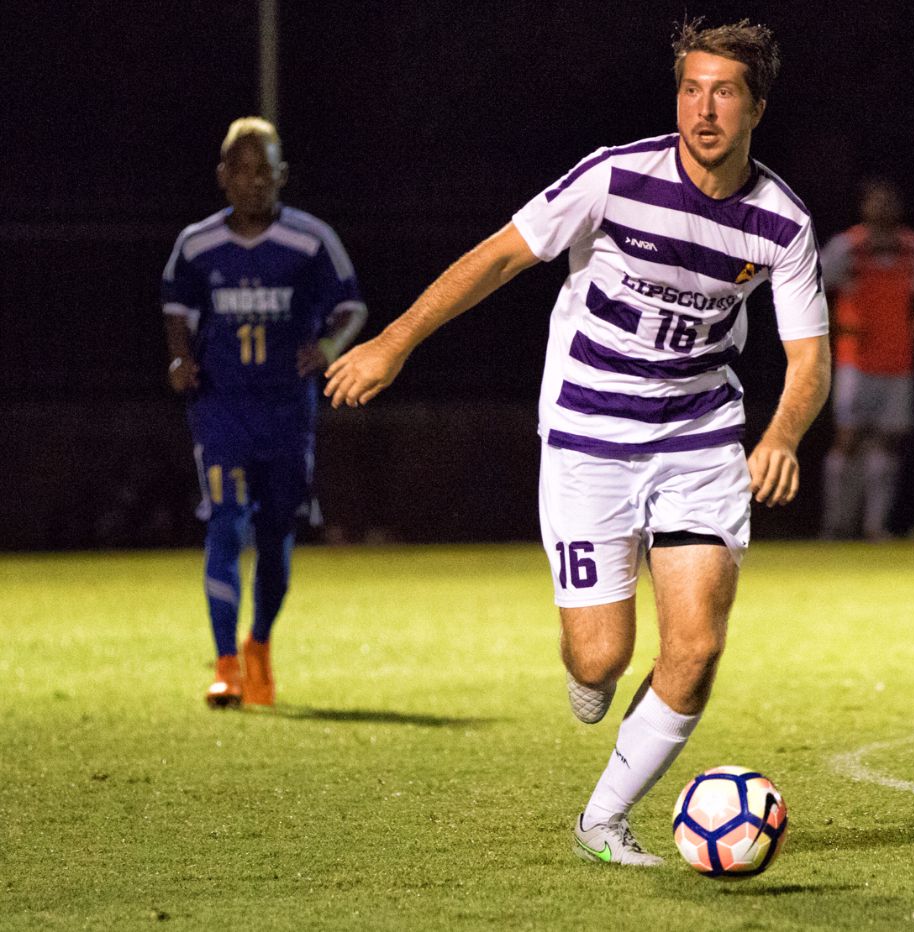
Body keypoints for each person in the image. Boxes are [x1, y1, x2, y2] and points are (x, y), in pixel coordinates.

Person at [324, 19, 829, 867]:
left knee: (696, 644)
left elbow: (810, 359)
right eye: (691, 88)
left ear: (757, 109)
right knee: (601, 659)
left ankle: (604, 819)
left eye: (725, 92)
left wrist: (780, 435)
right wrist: (395, 341)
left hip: (699, 434)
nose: (703, 109)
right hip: (588, 434)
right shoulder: (614, 176)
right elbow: (496, 259)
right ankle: (589, 672)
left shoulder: (780, 222)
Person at [162, 117, 368, 708]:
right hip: (221, 409)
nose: (255, 183)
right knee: (225, 523)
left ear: (282, 176)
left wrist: (328, 347)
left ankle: (258, 645)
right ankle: (225, 663)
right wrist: (180, 361)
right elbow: (175, 307)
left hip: (286, 411)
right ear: (224, 177)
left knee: (277, 535)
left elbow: (351, 306)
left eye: (266, 171)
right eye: (243, 171)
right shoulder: (196, 244)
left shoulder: (310, 240)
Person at [819, 179, 914, 540]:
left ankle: (875, 526)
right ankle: (837, 525)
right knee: (849, 438)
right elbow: (816, 287)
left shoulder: (912, 246)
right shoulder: (848, 246)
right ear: (864, 206)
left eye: (890, 202)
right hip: (856, 357)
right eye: (877, 201)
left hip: (897, 358)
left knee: (887, 442)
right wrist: (829, 329)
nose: (883, 208)